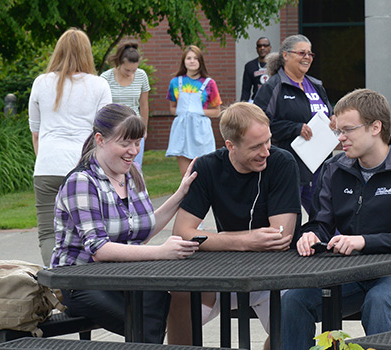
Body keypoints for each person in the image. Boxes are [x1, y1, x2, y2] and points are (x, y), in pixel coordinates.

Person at [282, 89, 391, 350]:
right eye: (338, 131)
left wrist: (363, 241)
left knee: (380, 300)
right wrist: (310, 235)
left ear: (375, 127)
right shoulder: (334, 168)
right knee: (294, 299)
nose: (340, 138)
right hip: (350, 271)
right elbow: (321, 222)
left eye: (348, 130)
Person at [52, 104, 200, 344]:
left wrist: (181, 193)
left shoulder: (132, 173)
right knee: (143, 319)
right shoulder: (82, 181)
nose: (133, 151)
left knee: (158, 298)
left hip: (122, 276)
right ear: (99, 139)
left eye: (138, 142)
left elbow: (143, 229)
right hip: (79, 281)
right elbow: (99, 250)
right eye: (125, 143)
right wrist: (161, 252)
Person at [166, 102, 300, 346]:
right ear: (231, 146)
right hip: (225, 273)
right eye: (256, 146)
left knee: (292, 321)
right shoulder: (207, 167)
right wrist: (245, 240)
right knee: (181, 294)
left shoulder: (282, 163)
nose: (266, 151)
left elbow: (280, 238)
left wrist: (217, 239)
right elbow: (183, 234)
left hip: (278, 274)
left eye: (268, 140)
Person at [29, 28, 112, 266]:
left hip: (47, 166)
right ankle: (85, 288)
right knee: (90, 231)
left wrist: (44, 158)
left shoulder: (41, 83)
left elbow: (36, 132)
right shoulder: (99, 85)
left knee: (48, 233)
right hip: (83, 168)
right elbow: (105, 132)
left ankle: (57, 285)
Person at [253, 34, 330, 216]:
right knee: (290, 219)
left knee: (325, 215)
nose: (307, 57)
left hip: (320, 165)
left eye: (310, 54)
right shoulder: (274, 87)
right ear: (286, 55)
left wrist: (334, 121)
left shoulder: (316, 86)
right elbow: (258, 124)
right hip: (291, 165)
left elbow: (327, 115)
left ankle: (328, 244)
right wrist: (295, 128)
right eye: (302, 52)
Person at [166, 45, 222, 176]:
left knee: (203, 171)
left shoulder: (209, 83)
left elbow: (217, 111)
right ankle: (188, 197)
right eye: (189, 58)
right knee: (185, 174)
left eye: (195, 58)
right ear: (183, 61)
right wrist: (184, 113)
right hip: (181, 131)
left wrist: (197, 112)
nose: (192, 61)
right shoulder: (175, 82)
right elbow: (172, 108)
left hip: (200, 130)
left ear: (200, 61)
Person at [100, 39, 152, 165]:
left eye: (134, 70)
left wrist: (144, 128)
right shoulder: (105, 78)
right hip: (114, 129)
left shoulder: (141, 76)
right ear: (119, 63)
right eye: (127, 70)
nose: (130, 73)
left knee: (134, 166)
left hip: (135, 127)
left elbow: (144, 105)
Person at [240, 37, 271, 103]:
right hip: (257, 101)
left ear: (270, 48)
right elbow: (246, 89)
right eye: (259, 46)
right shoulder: (250, 66)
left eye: (265, 45)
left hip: (273, 101)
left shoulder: (277, 64)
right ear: (256, 49)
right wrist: (242, 106)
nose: (262, 48)